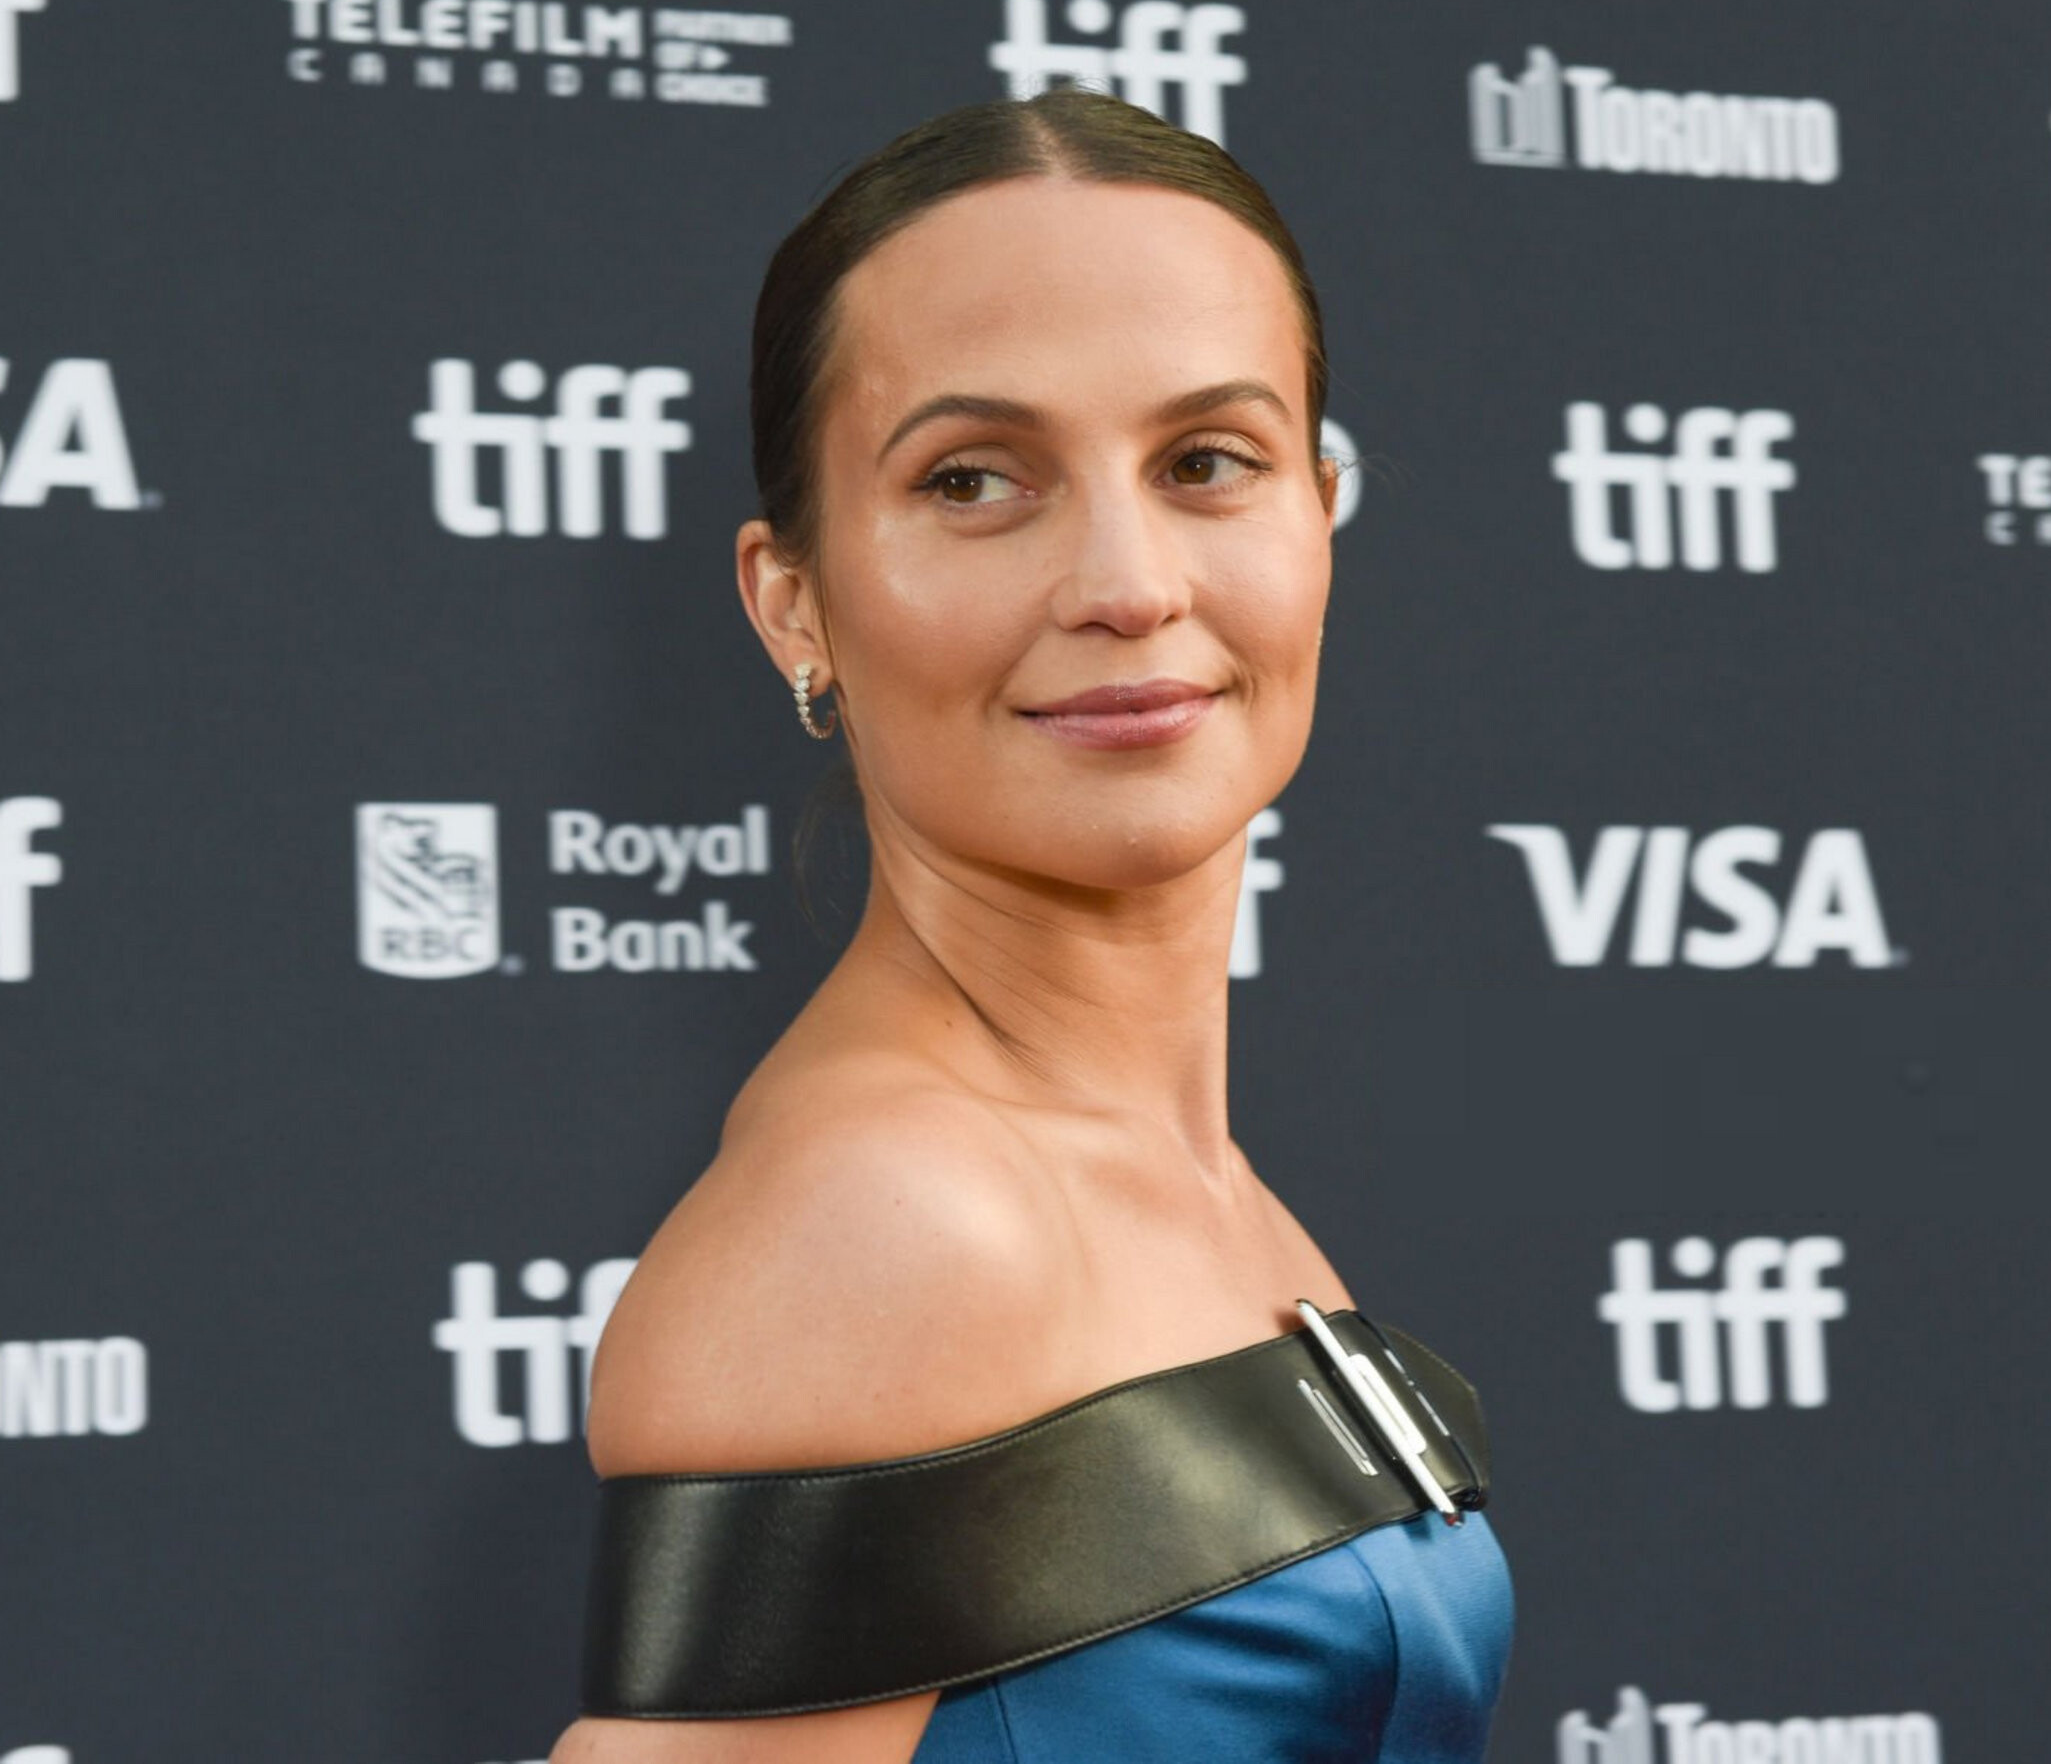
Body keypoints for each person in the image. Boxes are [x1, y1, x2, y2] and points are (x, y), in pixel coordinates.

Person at [545, 88, 1514, 1763]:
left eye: (1207, 462)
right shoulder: (897, 1222)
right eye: (977, 479)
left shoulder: (1188, 1187)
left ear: (1318, 518)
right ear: (794, 602)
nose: (1129, 583)